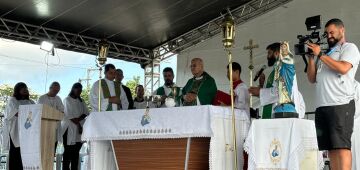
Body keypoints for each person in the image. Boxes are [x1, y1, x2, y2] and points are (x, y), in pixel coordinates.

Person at [307, 18, 360, 170]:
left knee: (342, 148)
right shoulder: (326, 53)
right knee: (331, 149)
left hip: (340, 104)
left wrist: (320, 55)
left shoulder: (349, 48)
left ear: (342, 30)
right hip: (322, 106)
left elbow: (343, 68)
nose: (328, 35)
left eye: (332, 32)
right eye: (326, 33)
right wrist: (311, 58)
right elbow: (312, 78)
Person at [248, 42, 305, 118]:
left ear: (277, 53)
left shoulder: (283, 68)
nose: (267, 56)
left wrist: (260, 92)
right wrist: (262, 84)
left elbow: (281, 91)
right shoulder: (276, 69)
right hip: (275, 111)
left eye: (269, 53)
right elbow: (272, 91)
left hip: (284, 112)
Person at [4, 82, 35, 170]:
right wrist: (29, 113)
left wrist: (30, 114)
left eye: (26, 88)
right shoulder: (12, 100)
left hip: (28, 130)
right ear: (17, 90)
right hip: (16, 130)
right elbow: (14, 113)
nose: (25, 90)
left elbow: (36, 113)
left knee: (26, 153)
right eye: (22, 88)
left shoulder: (31, 102)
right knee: (15, 152)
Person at [60, 83, 89, 170]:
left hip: (78, 130)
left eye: (80, 90)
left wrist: (79, 121)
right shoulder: (67, 100)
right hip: (68, 129)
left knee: (76, 152)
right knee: (68, 152)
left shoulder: (81, 101)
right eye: (77, 89)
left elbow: (86, 113)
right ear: (73, 89)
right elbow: (70, 116)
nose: (79, 91)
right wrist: (79, 125)